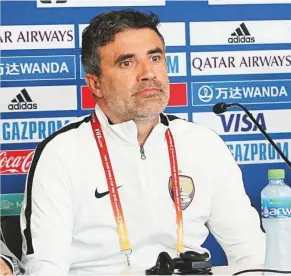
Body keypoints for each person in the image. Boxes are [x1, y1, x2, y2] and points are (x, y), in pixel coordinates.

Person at [19, 9, 265, 274]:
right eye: (127, 63)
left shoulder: (203, 144)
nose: (148, 73)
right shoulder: (61, 153)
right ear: (95, 84)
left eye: (155, 57)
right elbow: (45, 268)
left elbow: (253, 254)